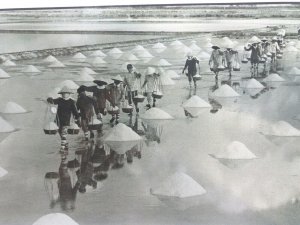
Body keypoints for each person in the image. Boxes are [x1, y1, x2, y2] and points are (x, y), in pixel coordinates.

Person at [47, 86, 80, 153]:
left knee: (64, 133)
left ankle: (62, 148)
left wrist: (77, 118)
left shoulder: (71, 102)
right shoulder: (59, 100)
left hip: (66, 120)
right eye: (63, 93)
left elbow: (74, 111)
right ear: (61, 94)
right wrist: (49, 99)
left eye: (66, 93)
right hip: (58, 120)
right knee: (60, 132)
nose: (65, 95)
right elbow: (52, 101)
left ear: (69, 94)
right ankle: (65, 143)